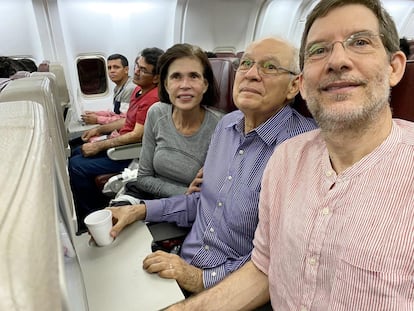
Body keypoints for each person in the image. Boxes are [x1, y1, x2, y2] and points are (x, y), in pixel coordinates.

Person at [165, 0, 413, 310]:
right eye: (318, 50)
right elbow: (264, 265)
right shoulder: (286, 158)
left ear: (394, 67)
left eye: (360, 42)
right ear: (306, 83)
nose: (337, 60)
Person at [108, 37, 317, 294]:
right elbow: (204, 203)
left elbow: (282, 256)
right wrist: (140, 210)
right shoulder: (227, 126)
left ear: (294, 85)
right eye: (246, 64)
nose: (251, 74)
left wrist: (199, 279)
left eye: (270, 67)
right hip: (184, 260)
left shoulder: (304, 148)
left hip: (229, 288)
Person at [111, 43, 222, 204]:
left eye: (194, 76)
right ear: (165, 84)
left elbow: (209, 194)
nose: (185, 85)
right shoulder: (156, 113)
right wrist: (184, 192)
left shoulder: (220, 127)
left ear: (205, 84)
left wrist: (187, 197)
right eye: (176, 76)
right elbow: (143, 178)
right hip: (149, 198)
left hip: (188, 208)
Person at [69, 47, 164, 234]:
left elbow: (137, 135)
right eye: (137, 66)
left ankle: (94, 216)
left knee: (76, 166)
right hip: (120, 143)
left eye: (143, 70)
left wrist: (100, 144)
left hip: (128, 151)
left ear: (156, 78)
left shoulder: (153, 98)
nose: (136, 71)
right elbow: (124, 119)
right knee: (76, 152)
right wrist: (99, 129)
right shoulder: (138, 90)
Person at [81, 54, 136, 125]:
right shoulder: (118, 87)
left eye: (116, 67)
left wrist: (97, 119)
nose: (112, 71)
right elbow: (116, 113)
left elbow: (124, 120)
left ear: (126, 70)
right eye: (109, 68)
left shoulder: (130, 88)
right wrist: (96, 113)